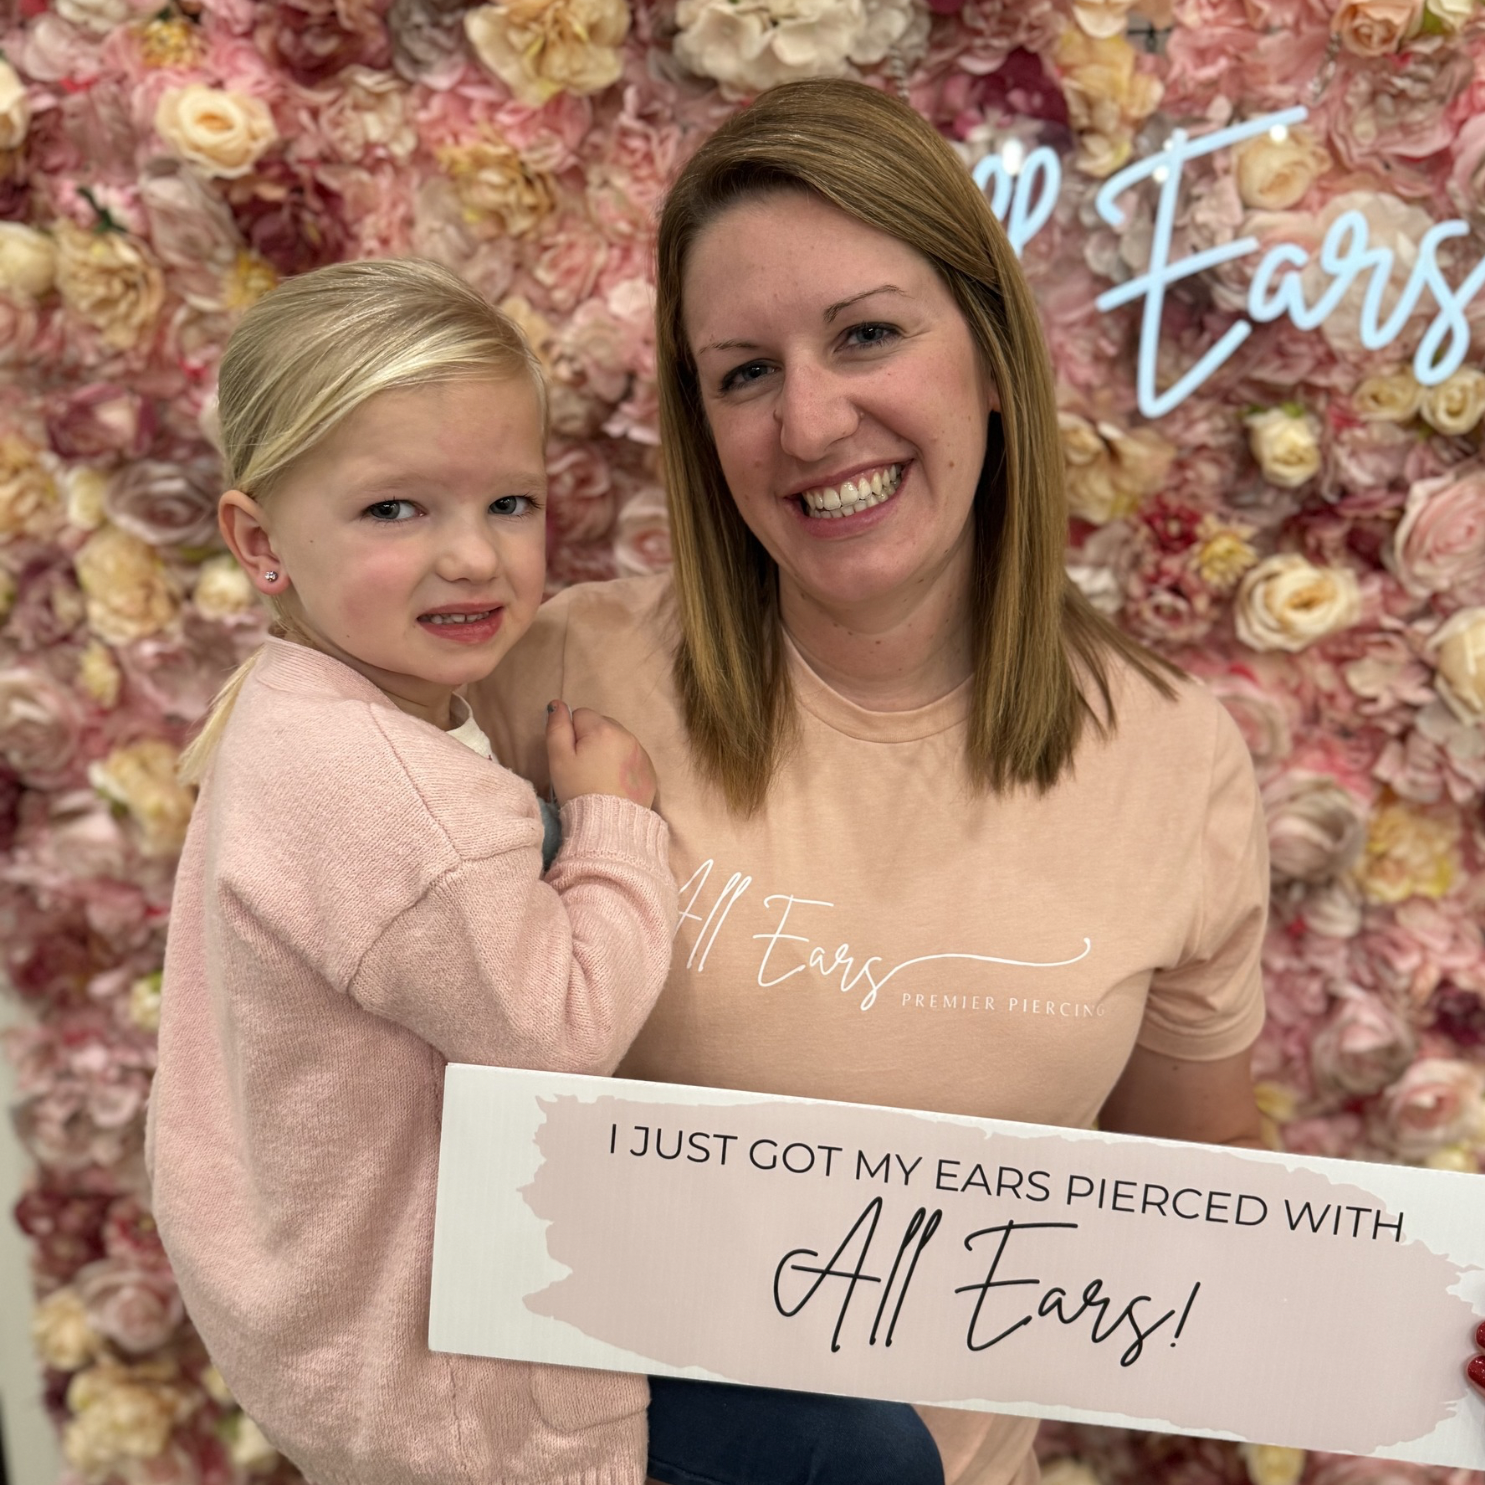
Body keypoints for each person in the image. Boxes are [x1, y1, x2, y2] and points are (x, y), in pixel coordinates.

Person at [473, 78, 1270, 1485]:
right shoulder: (546, 682)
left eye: (867, 335)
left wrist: (1409, 1335)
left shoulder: (1173, 755)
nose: (810, 422)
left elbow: (1203, 1228)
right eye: (744, 373)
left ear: (993, 358)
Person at [146, 257, 944, 1485]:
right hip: (450, 1377)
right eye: (395, 511)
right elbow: (555, 1029)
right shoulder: (392, 789)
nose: (473, 557)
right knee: (867, 1455)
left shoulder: (293, 712)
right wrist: (612, 823)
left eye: (508, 503)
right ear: (262, 543)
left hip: (324, 1318)